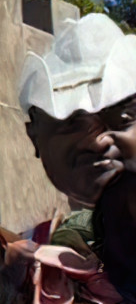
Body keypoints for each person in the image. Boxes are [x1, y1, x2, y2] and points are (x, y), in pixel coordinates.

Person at [19, 12, 136, 218]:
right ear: (34, 138)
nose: (98, 142)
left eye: (123, 119)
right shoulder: (39, 239)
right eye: (72, 123)